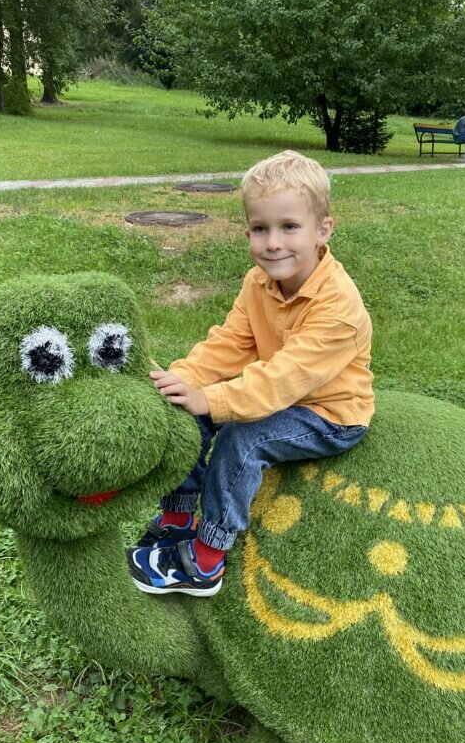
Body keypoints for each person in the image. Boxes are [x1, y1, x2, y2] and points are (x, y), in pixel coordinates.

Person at [128, 150, 375, 597]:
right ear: (248, 232)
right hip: (274, 393)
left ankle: (206, 558)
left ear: (323, 231)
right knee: (188, 413)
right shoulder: (257, 282)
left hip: (328, 413)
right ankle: (177, 516)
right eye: (260, 229)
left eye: (289, 227)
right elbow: (229, 344)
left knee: (243, 437)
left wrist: (216, 401)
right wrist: (183, 381)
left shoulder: (337, 307)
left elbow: (284, 378)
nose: (273, 242)